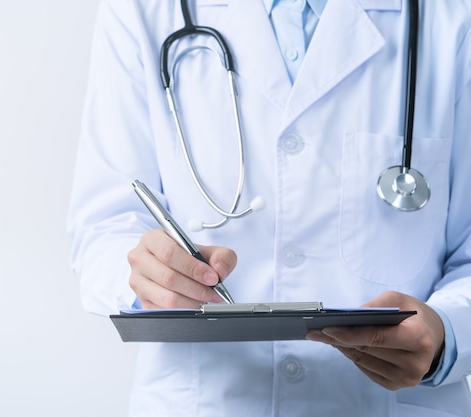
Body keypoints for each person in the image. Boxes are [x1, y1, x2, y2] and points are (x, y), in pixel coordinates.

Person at [68, 0, 471, 415]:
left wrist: (447, 335)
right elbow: (103, 225)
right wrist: (146, 274)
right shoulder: (143, 10)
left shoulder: (451, 16)